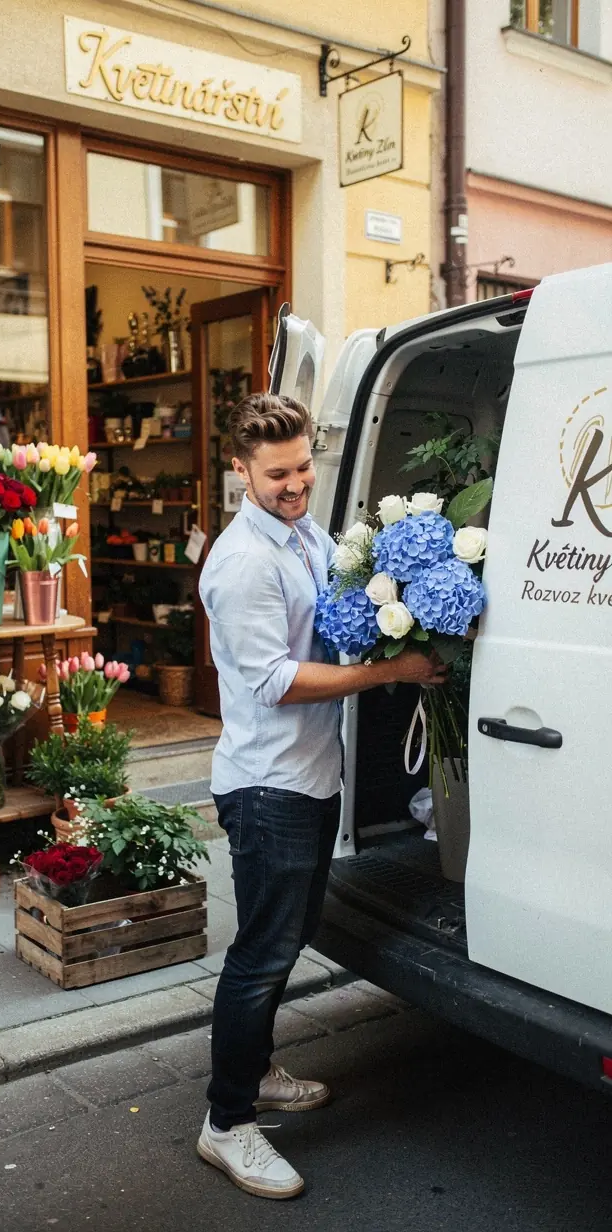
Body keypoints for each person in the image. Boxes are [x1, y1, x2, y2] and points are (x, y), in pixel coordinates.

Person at [197, 393, 445, 1199]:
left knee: (291, 933)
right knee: (262, 954)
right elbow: (275, 681)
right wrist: (393, 670)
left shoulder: (305, 532)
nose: (296, 483)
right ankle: (226, 1123)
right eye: (277, 474)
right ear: (241, 470)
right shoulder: (244, 562)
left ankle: (256, 1070)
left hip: (309, 776)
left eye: (303, 466)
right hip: (267, 785)